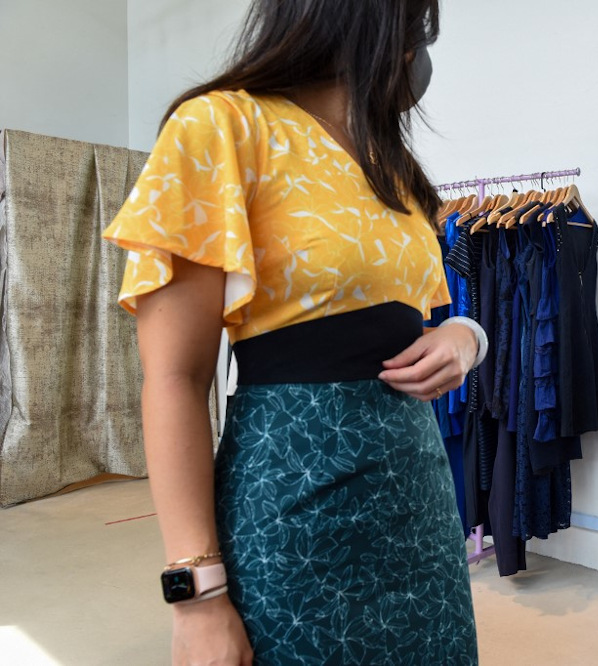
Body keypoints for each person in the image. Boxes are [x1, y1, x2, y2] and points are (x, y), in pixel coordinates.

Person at [101, 1, 481, 663]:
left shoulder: (395, 169)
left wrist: (466, 337)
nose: (418, 50)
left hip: (417, 504)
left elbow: (416, 320)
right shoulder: (221, 126)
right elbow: (175, 379)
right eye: (415, 25)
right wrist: (198, 594)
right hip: (297, 505)